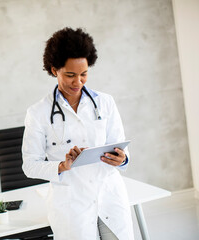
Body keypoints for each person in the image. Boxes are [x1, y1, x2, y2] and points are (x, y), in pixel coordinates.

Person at [22, 27, 134, 240]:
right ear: (55, 70)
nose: (78, 82)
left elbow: (122, 149)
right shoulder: (38, 113)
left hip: (109, 197)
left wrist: (122, 158)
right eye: (70, 75)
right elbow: (29, 165)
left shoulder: (105, 103)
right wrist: (61, 166)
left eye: (84, 74)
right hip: (72, 205)